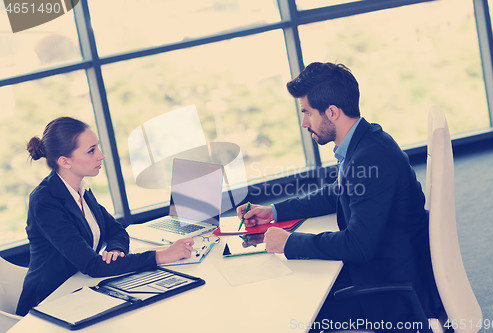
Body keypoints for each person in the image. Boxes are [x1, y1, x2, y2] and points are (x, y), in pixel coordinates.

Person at [237, 62, 442, 332]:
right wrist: (274, 211)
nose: (303, 122)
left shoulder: (369, 157)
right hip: (388, 266)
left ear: (331, 112)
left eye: (307, 112)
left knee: (295, 310)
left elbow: (358, 245)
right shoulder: (367, 141)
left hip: (390, 290)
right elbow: (337, 191)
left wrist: (289, 243)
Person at [17, 117, 194, 316]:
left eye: (97, 147)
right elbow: (92, 265)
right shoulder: (44, 201)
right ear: (65, 161)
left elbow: (117, 231)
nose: (101, 156)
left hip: (81, 290)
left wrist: (116, 251)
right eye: (91, 151)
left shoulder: (81, 189)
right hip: (49, 302)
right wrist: (162, 255)